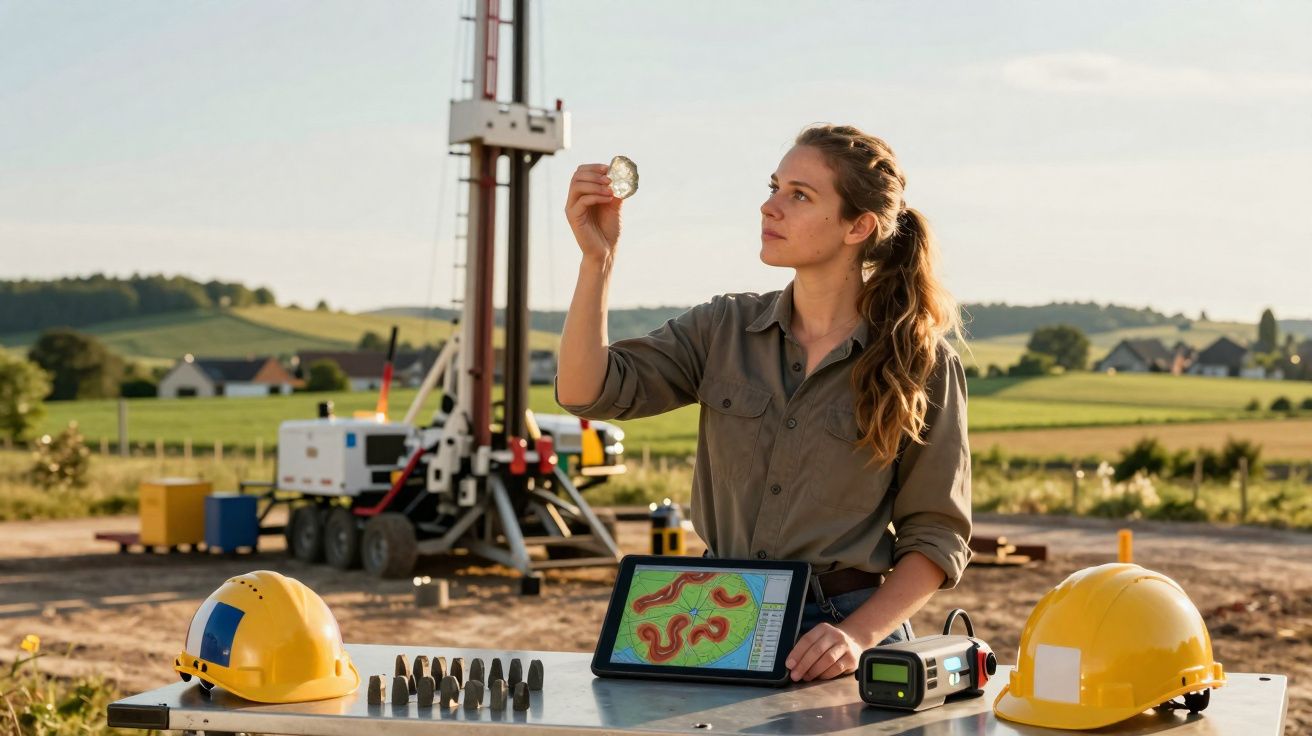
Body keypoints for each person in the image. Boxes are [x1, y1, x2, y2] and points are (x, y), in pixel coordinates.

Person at [555, 123, 971, 683]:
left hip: (837, 635)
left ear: (859, 226)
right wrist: (596, 262)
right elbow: (588, 390)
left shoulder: (920, 364)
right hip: (712, 618)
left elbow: (937, 535)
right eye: (774, 186)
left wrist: (856, 635)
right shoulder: (720, 329)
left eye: (799, 195)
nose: (769, 207)